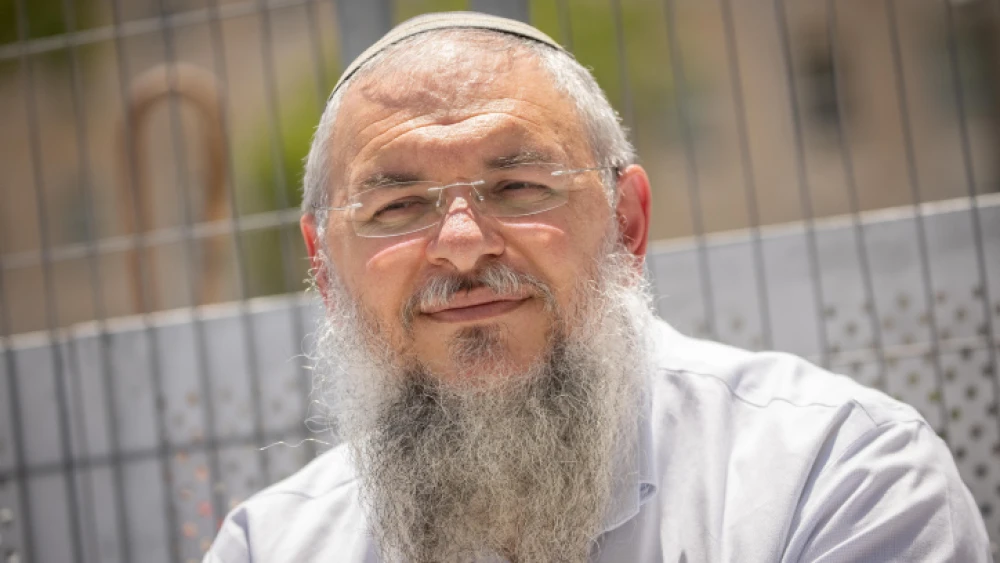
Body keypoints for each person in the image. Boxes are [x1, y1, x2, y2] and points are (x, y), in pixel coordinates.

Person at [204, 11, 992, 563]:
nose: (463, 245)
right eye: (398, 207)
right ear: (326, 270)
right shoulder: (269, 546)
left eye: (519, 187)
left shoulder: (835, 476)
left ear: (626, 223)